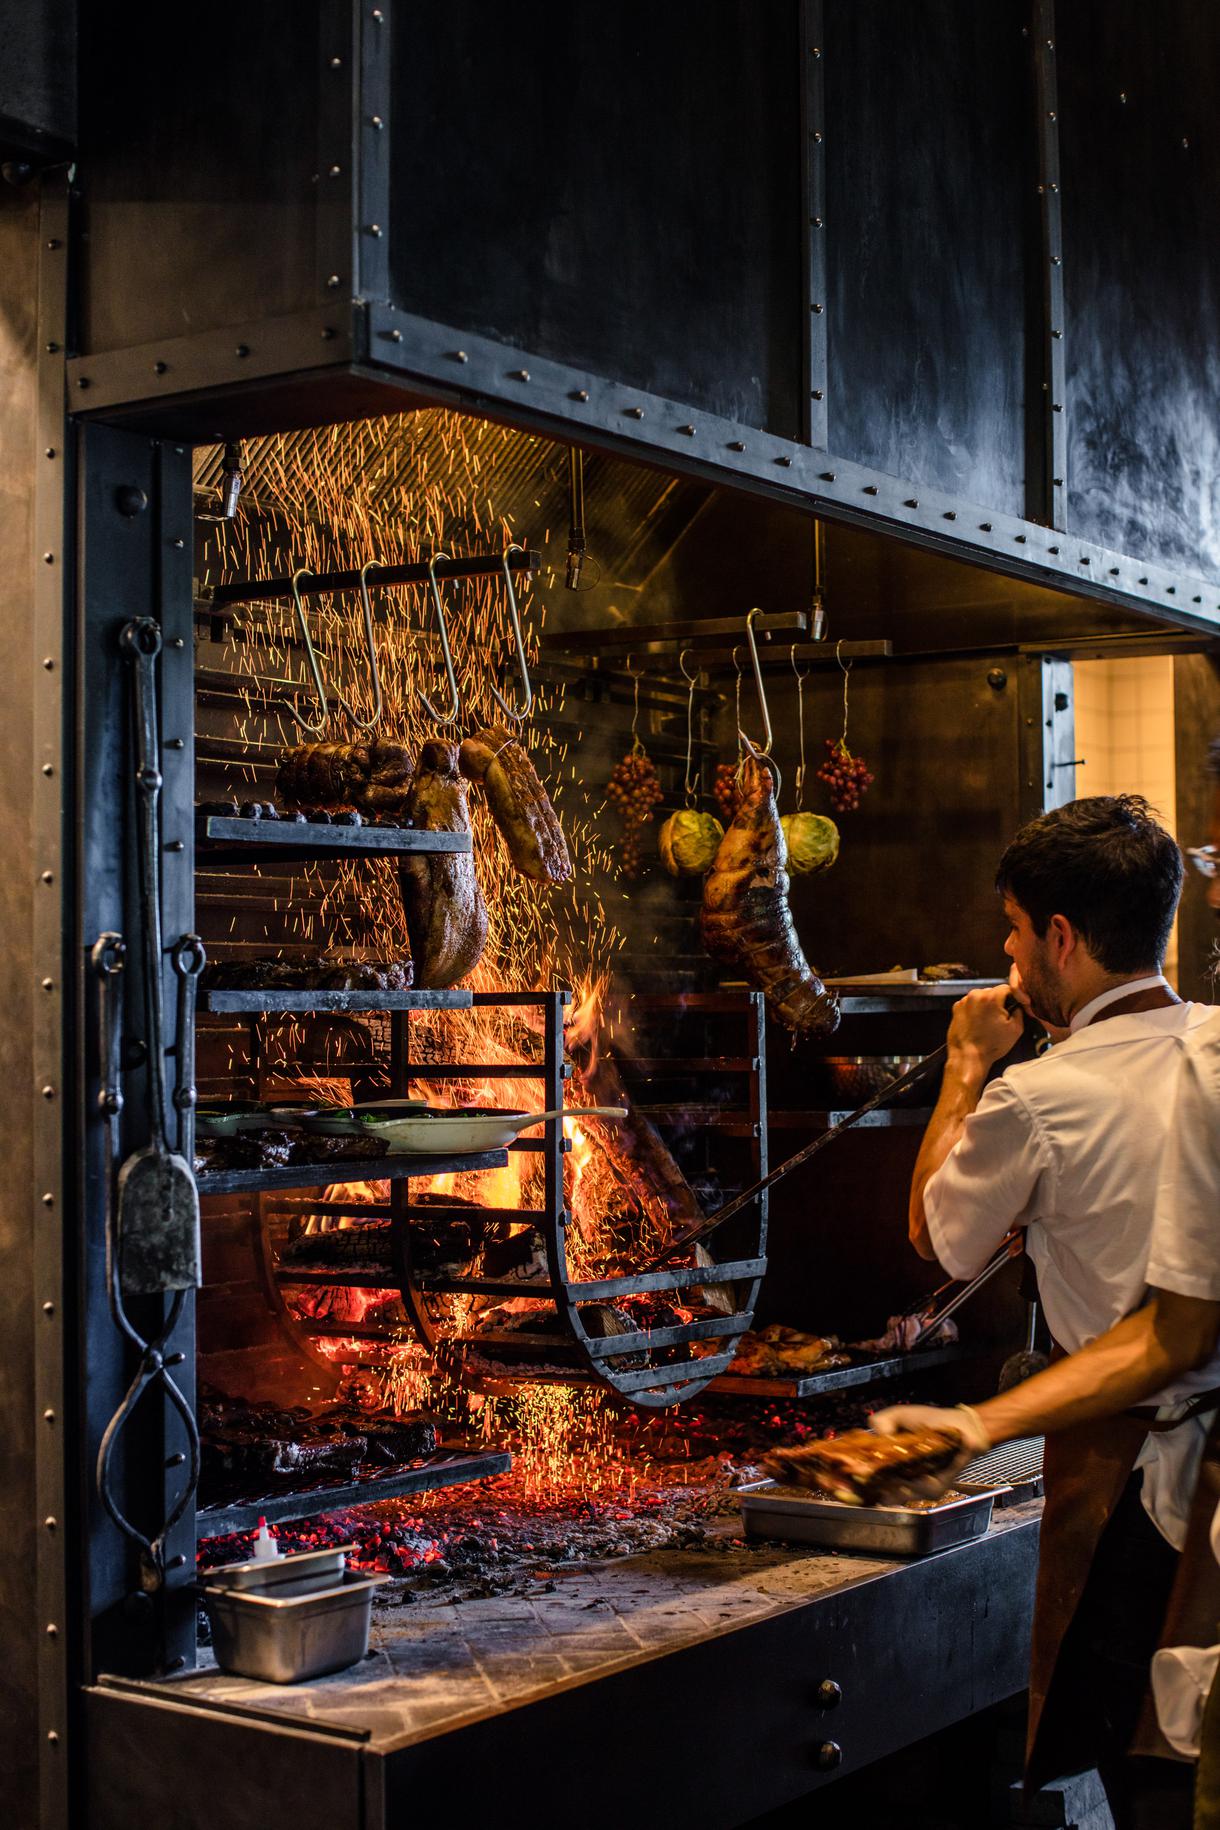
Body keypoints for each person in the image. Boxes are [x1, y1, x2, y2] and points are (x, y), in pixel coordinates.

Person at [876, 758, 1220, 1825]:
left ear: (1061, 939)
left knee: (1139, 1746)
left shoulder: (1036, 1094)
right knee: (1180, 1738)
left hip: (1125, 1463)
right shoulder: (1207, 1041)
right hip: (1197, 1458)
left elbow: (935, 1237)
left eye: (1016, 932)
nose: (1010, 955)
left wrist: (963, 1063)